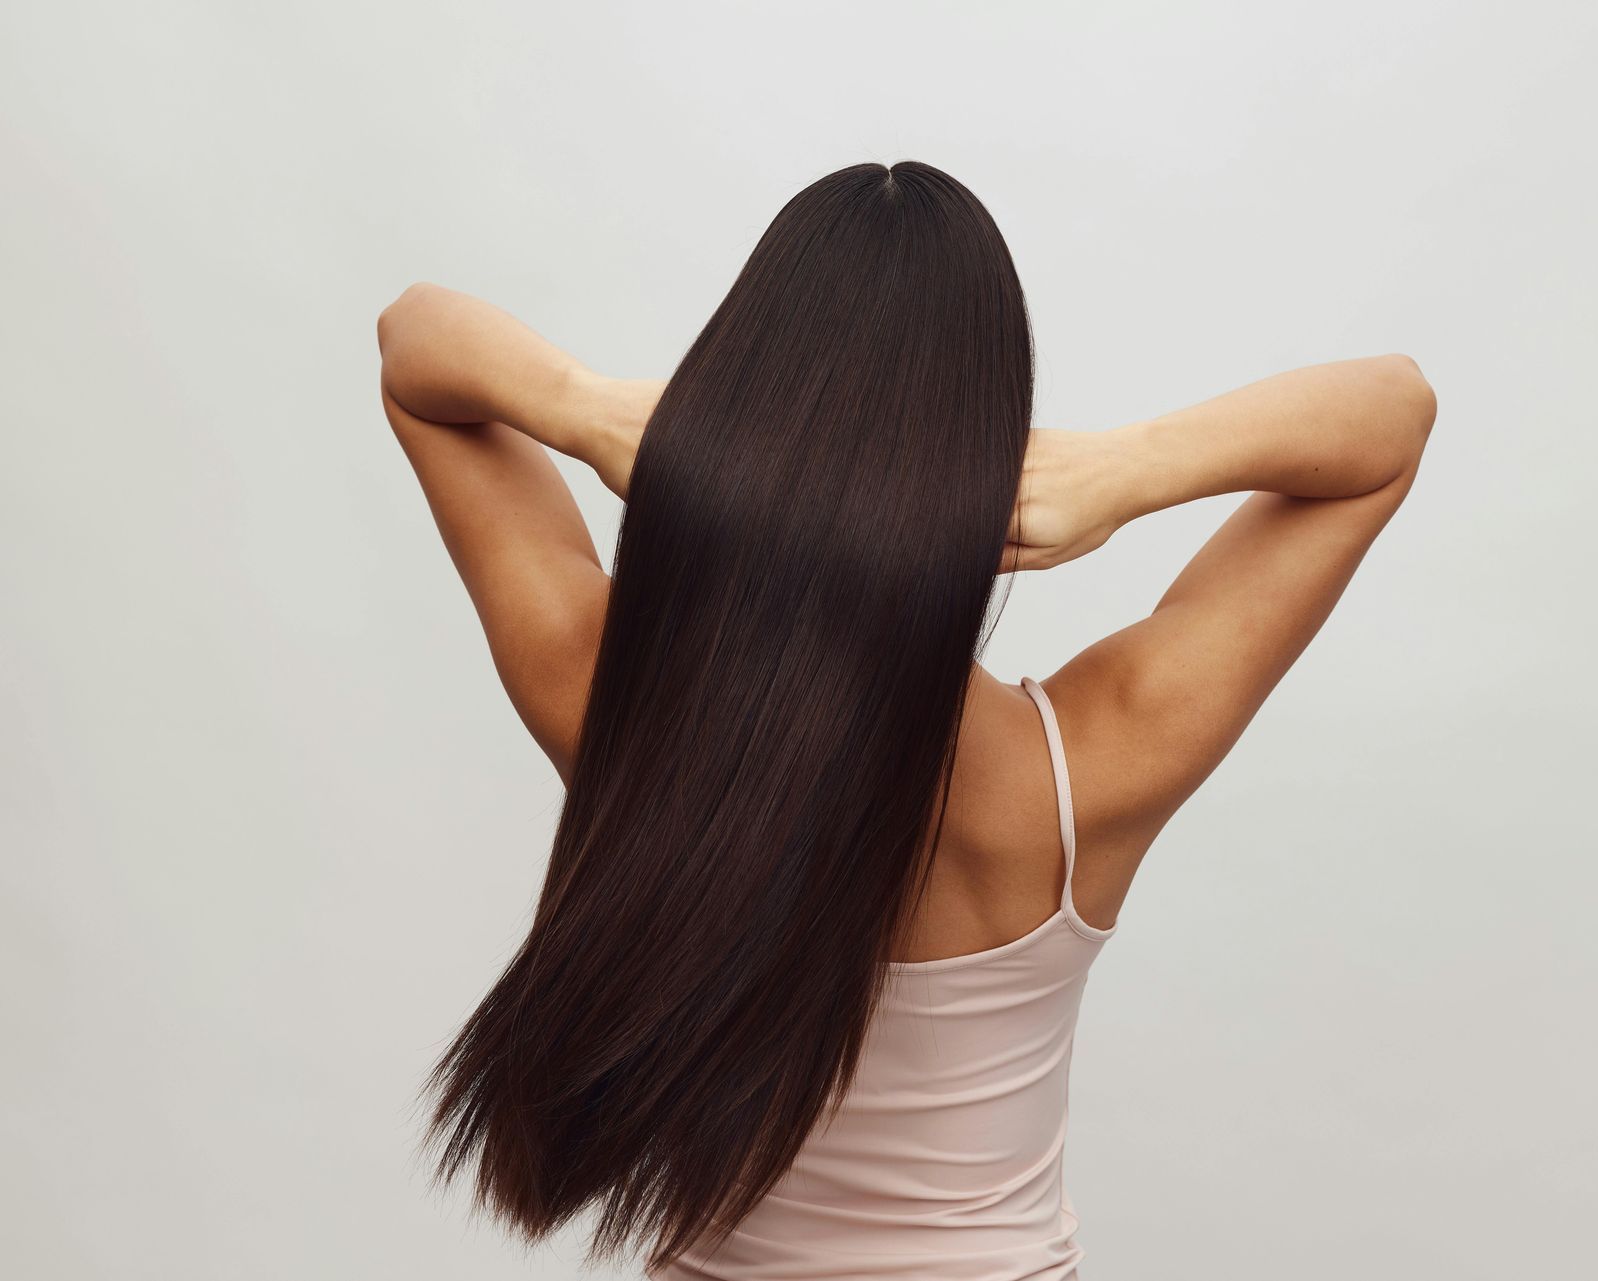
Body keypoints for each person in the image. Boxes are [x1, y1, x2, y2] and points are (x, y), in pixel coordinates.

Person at [376, 160, 1435, 1280]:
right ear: (987, 440)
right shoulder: (1091, 765)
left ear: (737, 401)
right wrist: (1125, 472)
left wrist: (593, 413)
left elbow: (414, 346)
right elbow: (1392, 415)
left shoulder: (612, 707)